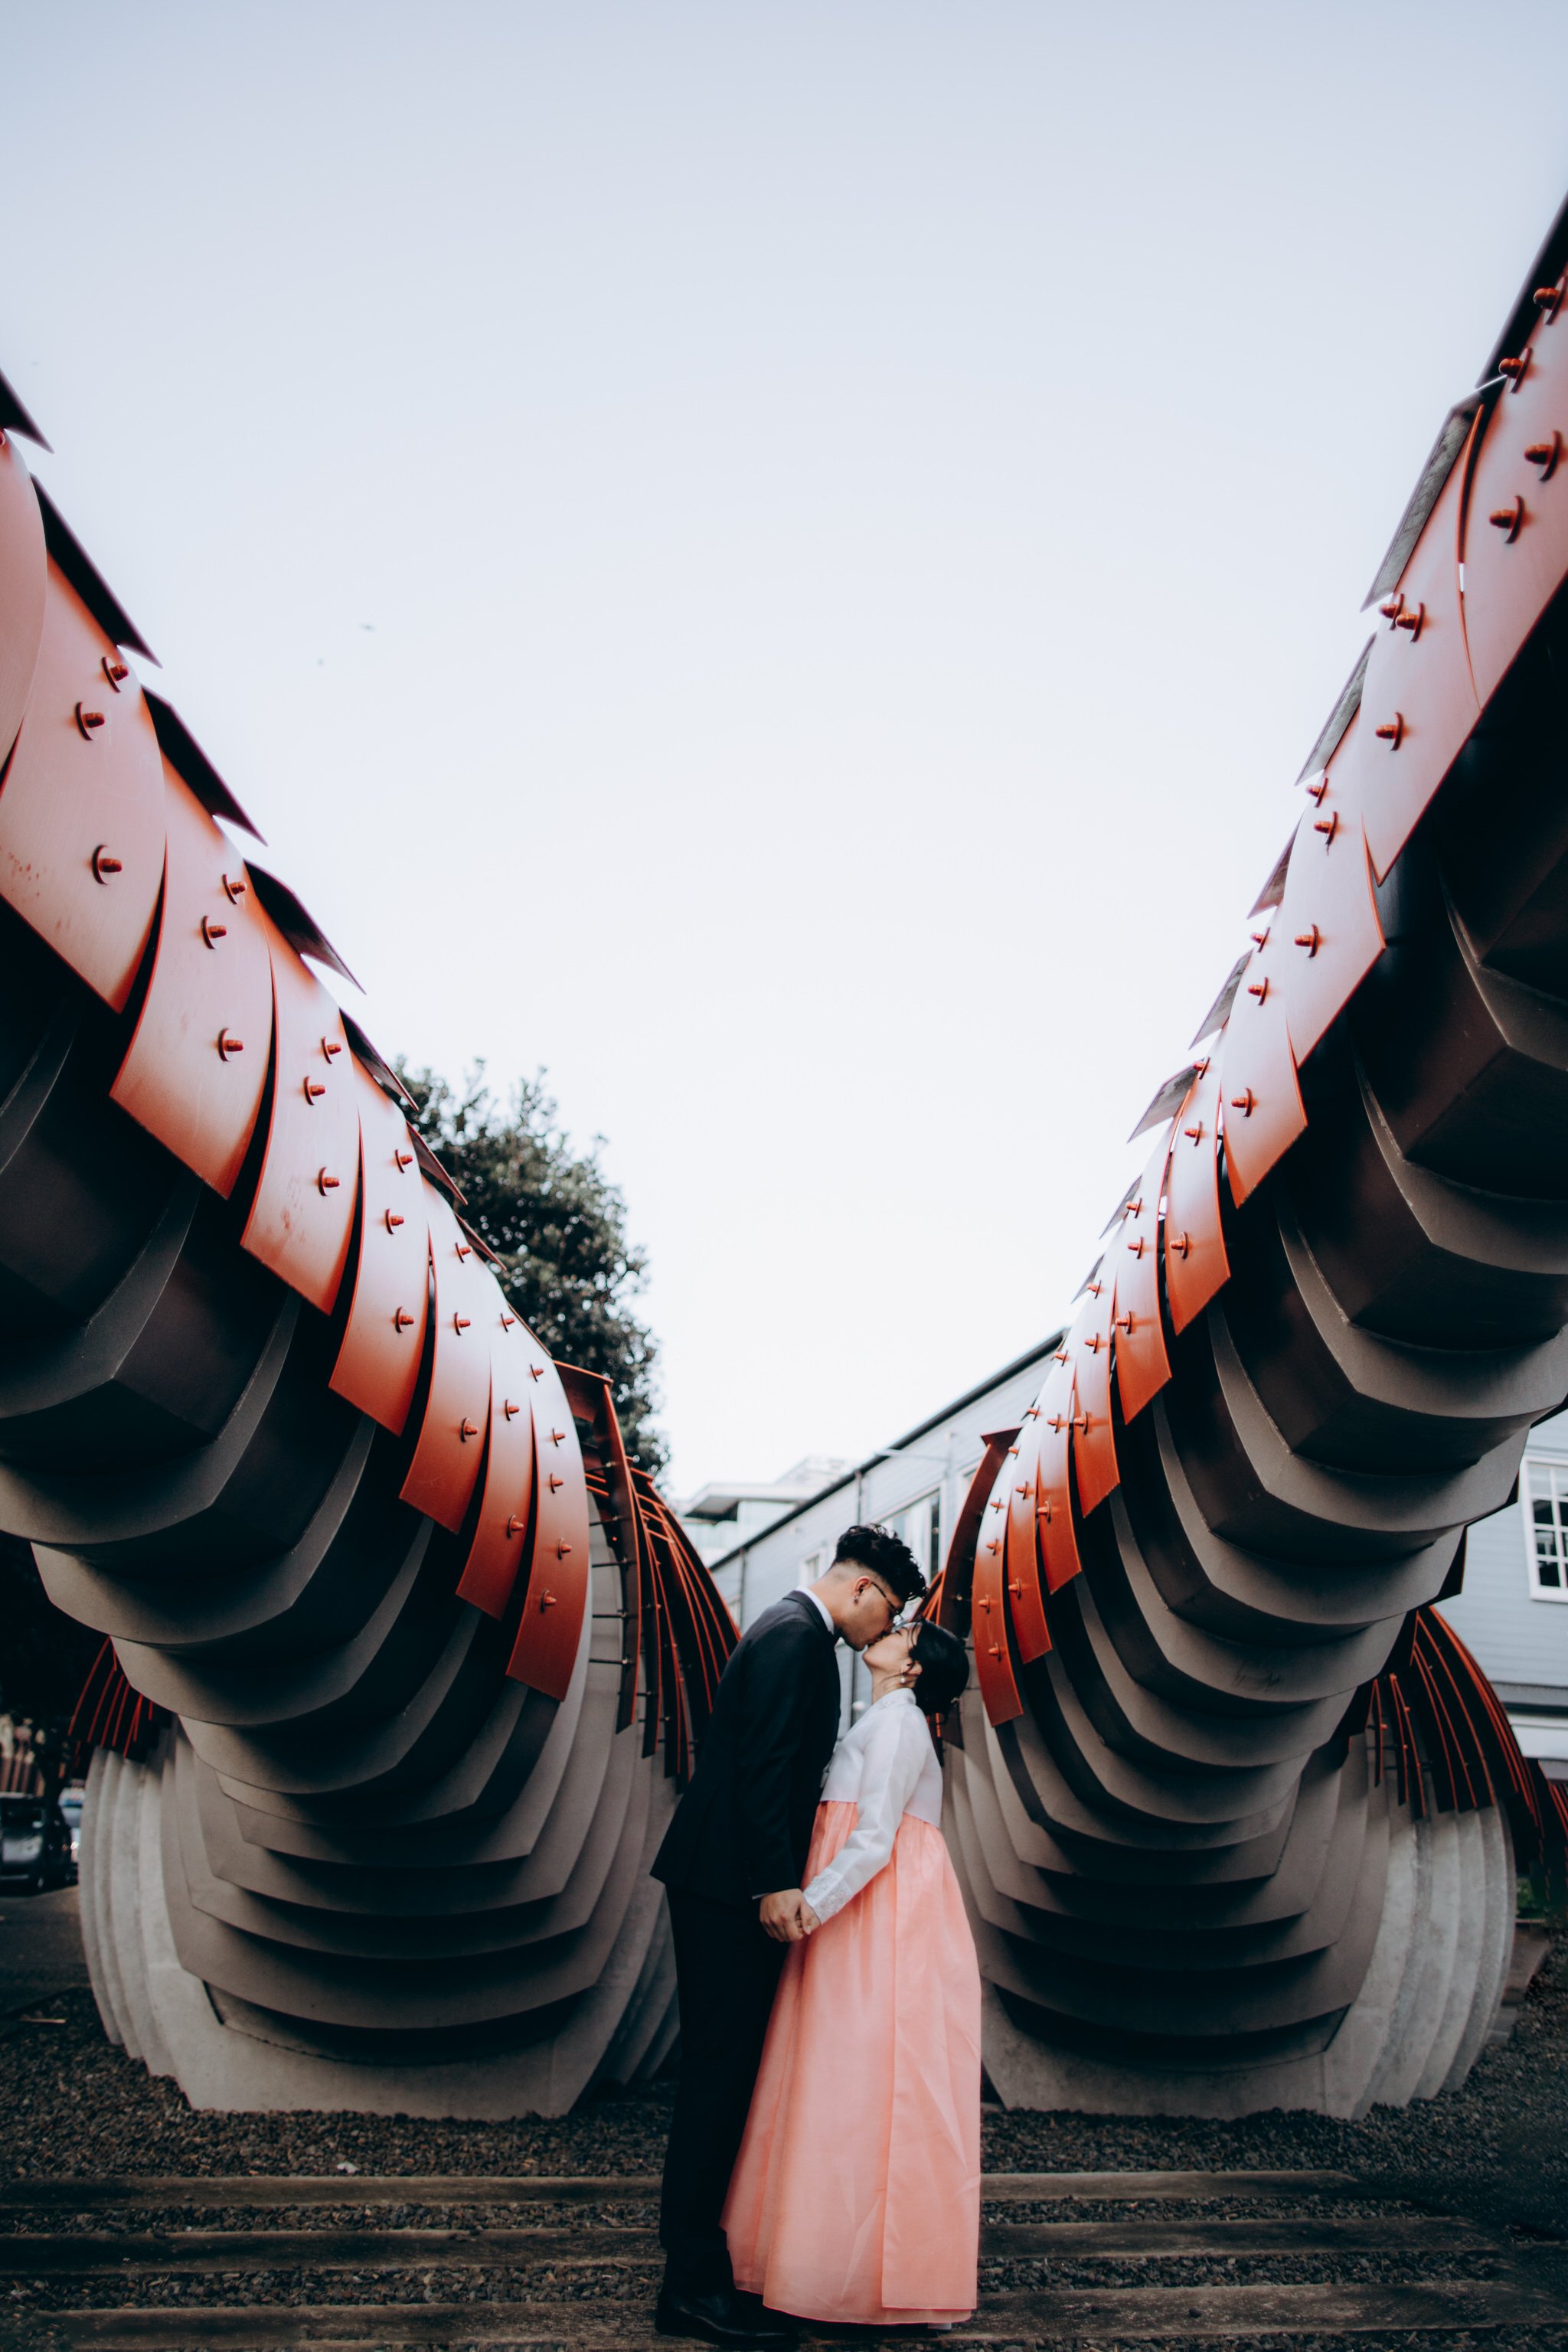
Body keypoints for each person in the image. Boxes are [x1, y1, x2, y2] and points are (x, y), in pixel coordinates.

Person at [652, 1524, 928, 2350]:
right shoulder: (799, 1640)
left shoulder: (784, 1628)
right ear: (861, 1591)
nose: (885, 1632)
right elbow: (766, 1768)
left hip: (714, 1879)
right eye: (888, 1613)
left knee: (721, 2073)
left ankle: (698, 2274)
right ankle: (691, 2288)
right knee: (717, 2078)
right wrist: (772, 1882)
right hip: (728, 1888)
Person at [723, 1612, 979, 2330]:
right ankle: (829, 2263)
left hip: (874, 1915)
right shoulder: (886, 1718)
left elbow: (874, 1839)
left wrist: (813, 1905)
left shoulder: (898, 1725)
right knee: (846, 2080)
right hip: (862, 1913)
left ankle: (846, 2272)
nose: (889, 1632)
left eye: (904, 1631)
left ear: (914, 1666)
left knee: (859, 2077)